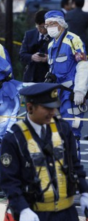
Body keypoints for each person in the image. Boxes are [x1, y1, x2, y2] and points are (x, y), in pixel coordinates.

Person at [0, 83, 88, 221]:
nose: (52, 112)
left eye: (54, 107)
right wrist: (22, 209)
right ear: (30, 107)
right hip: (38, 217)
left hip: (67, 215)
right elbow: (9, 181)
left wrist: (85, 191)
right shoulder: (14, 138)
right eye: (47, 108)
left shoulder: (63, 129)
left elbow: (74, 164)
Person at [44, 10, 88, 157]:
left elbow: (83, 65)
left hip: (72, 95)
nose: (49, 27)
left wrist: (80, 90)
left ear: (61, 23)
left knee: (72, 131)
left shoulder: (73, 40)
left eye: (52, 23)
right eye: (47, 24)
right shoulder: (51, 45)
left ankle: (74, 170)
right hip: (57, 95)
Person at [19, 10, 51, 82]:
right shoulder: (29, 35)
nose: (40, 29)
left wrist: (48, 58)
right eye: (38, 26)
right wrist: (32, 57)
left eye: (43, 27)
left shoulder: (54, 36)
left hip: (47, 75)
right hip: (31, 75)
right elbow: (22, 55)